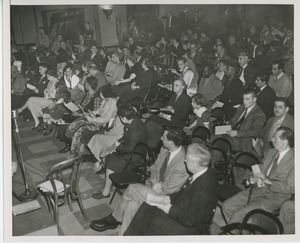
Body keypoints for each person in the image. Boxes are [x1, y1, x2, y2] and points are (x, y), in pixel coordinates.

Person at [90, 126, 189, 235]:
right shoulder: (165, 149)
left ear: (171, 142)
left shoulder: (183, 162)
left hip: (166, 198)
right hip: (154, 187)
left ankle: (114, 218)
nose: (161, 138)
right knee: (131, 205)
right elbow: (154, 168)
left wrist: (156, 184)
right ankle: (125, 235)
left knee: (132, 188)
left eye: (164, 137)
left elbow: (169, 189)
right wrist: (154, 181)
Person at [124, 143, 218, 235]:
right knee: (146, 207)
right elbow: (183, 192)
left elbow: (192, 219)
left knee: (155, 221)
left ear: (194, 163)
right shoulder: (202, 171)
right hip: (182, 209)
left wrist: (169, 209)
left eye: (187, 160)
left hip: (191, 227)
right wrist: (169, 198)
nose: (184, 161)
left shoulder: (204, 189)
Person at [221, 127, 294, 225]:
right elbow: (259, 169)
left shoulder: (294, 160)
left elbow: (290, 188)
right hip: (258, 189)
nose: (271, 140)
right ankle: (242, 233)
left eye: (275, 138)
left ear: (284, 142)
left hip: (275, 197)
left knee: (239, 214)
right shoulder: (270, 152)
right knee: (226, 206)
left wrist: (269, 182)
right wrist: (251, 178)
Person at [91, 105, 148, 199]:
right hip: (130, 149)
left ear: (124, 118)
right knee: (107, 154)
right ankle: (111, 180)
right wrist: (118, 142)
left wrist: (116, 148)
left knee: (111, 162)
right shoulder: (131, 120)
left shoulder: (136, 130)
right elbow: (126, 138)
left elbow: (130, 148)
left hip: (136, 155)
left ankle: (106, 192)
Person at [65, 84, 118, 155]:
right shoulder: (106, 100)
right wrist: (90, 113)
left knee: (80, 130)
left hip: (102, 126)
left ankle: (77, 152)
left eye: (101, 93)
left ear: (106, 94)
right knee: (76, 124)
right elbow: (99, 111)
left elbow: (106, 119)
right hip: (96, 119)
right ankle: (75, 149)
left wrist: (91, 119)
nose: (99, 94)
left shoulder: (113, 103)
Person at [226, 89, 266, 154]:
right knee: (215, 138)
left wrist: (237, 133)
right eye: (243, 99)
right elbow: (233, 122)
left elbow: (255, 131)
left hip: (244, 141)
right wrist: (226, 126)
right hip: (232, 134)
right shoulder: (241, 108)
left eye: (247, 99)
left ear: (254, 99)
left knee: (219, 142)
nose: (244, 102)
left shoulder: (259, 114)